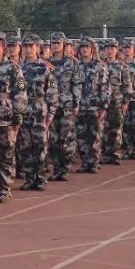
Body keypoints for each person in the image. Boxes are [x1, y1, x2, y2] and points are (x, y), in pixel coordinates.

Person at [0, 31, 26, 202]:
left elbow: (20, 93)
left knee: (6, 154)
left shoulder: (12, 68)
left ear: (3, 47)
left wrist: (18, 115)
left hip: (6, 118)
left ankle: (4, 189)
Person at [18, 35, 57, 191]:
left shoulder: (45, 68)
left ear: (37, 48)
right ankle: (29, 178)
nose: (28, 49)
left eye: (31, 46)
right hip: (23, 111)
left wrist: (51, 114)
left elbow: (52, 93)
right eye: (26, 46)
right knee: (25, 147)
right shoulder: (17, 67)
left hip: (40, 112)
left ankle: (40, 178)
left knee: (40, 146)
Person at [47, 32, 80, 181]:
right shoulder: (47, 63)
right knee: (54, 140)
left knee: (66, 138)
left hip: (67, 105)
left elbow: (77, 84)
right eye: (53, 43)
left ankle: (65, 169)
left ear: (64, 45)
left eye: (58, 43)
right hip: (52, 106)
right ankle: (57, 169)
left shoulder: (72, 63)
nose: (55, 45)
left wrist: (76, 103)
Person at [75, 37, 108, 174]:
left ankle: (93, 162)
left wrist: (104, 106)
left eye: (87, 47)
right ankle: (85, 162)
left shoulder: (99, 66)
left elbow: (104, 87)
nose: (84, 49)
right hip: (80, 107)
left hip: (95, 106)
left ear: (92, 49)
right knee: (81, 136)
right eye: (82, 47)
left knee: (95, 135)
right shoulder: (76, 66)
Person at [100, 39, 130, 166]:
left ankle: (115, 154)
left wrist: (125, 102)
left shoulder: (122, 67)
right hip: (103, 104)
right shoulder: (100, 65)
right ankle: (106, 154)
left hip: (117, 102)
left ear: (117, 50)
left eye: (112, 48)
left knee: (116, 129)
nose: (109, 51)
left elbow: (127, 86)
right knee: (104, 129)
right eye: (107, 48)